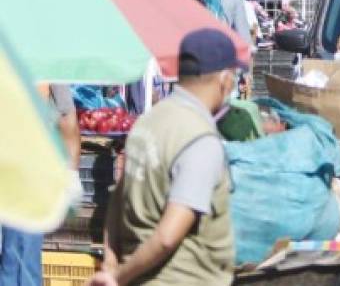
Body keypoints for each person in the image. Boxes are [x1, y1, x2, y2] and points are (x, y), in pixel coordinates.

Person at [88, 29, 241, 286]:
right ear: (224, 80)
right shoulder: (199, 140)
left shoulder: (147, 123)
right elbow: (168, 236)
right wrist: (116, 277)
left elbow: (117, 201)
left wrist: (112, 263)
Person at [0, 84, 80, 285]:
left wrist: (72, 176)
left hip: (33, 175)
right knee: (12, 254)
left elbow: (69, 125)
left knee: (23, 254)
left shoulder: (52, 75)